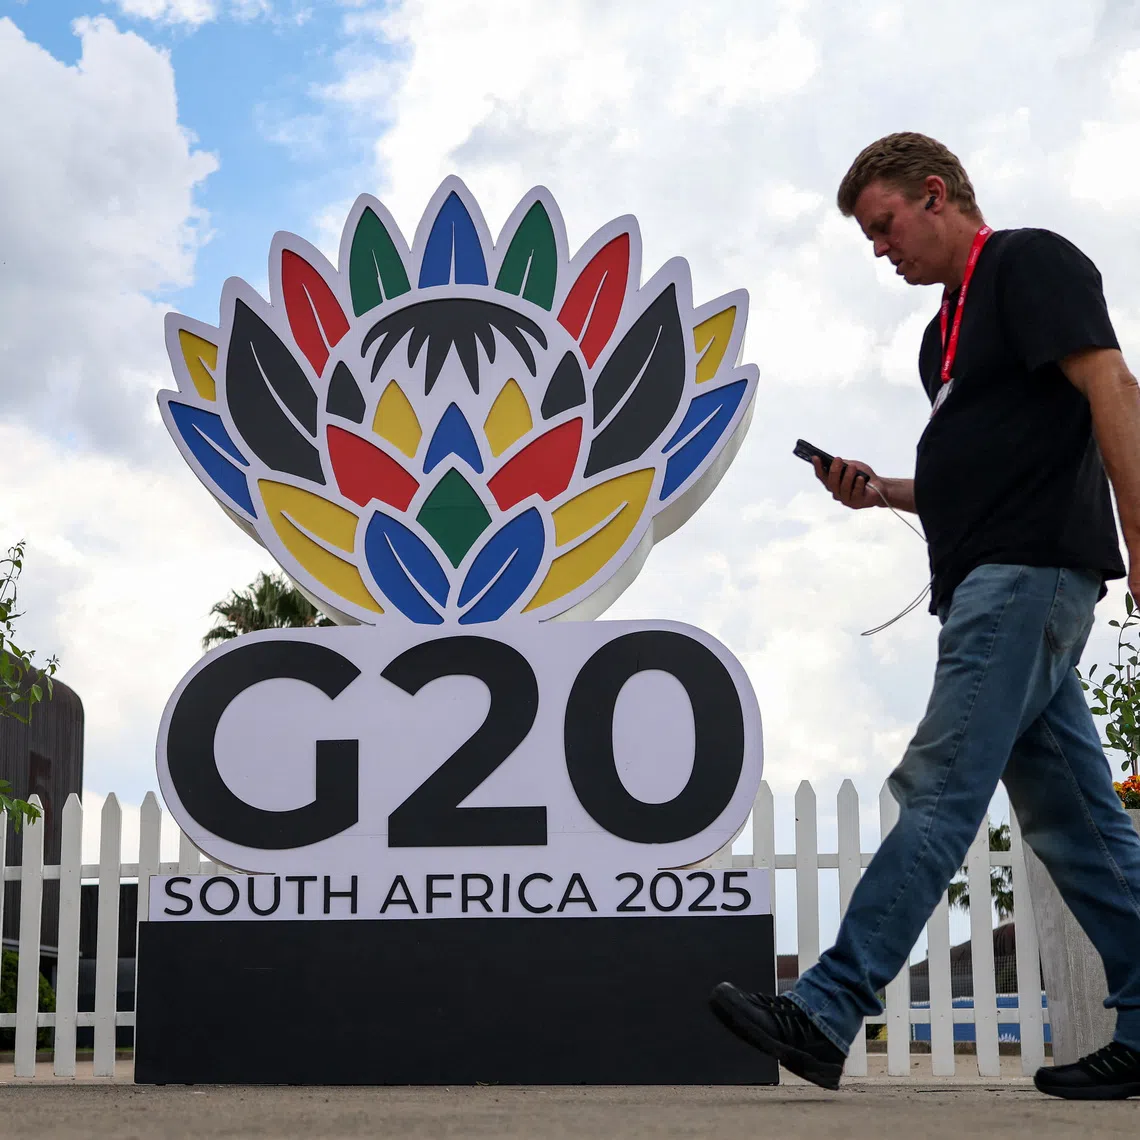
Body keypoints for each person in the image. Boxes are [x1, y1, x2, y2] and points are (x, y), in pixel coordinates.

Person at [710, 132, 1140, 1100]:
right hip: (996, 583)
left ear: (935, 195)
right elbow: (985, 468)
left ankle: (824, 1009)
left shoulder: (1029, 263)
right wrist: (885, 493)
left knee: (941, 789)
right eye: (870, 237)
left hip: (1023, 581)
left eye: (884, 226)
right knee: (1078, 826)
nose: (879, 249)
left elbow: (1113, 384)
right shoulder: (938, 333)